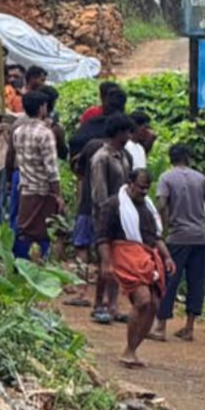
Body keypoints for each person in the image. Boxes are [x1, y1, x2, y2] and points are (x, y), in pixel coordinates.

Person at [95, 169, 174, 369]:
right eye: (140, 188)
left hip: (147, 256)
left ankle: (133, 349)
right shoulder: (114, 205)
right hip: (125, 254)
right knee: (142, 300)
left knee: (154, 303)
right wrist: (106, 263)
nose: (144, 192)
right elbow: (103, 238)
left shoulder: (148, 209)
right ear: (130, 183)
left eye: (147, 189)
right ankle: (129, 350)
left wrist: (167, 257)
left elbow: (156, 236)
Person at [150, 143, 205, 343]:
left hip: (177, 236)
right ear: (188, 158)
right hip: (200, 237)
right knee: (196, 281)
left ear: (171, 158)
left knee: (169, 280)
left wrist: (162, 229)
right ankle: (189, 327)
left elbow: (162, 204)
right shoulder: (200, 178)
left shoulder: (166, 177)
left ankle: (161, 326)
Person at [87, 114, 136, 324]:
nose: (129, 135)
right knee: (104, 262)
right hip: (106, 215)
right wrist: (107, 215)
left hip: (122, 215)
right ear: (118, 133)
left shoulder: (125, 156)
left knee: (118, 261)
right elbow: (99, 193)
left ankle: (113, 305)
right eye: (126, 131)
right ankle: (99, 303)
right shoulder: (102, 157)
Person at [10, 90, 63, 261]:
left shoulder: (18, 132)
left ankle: (19, 264)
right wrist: (58, 194)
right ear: (42, 108)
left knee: (24, 230)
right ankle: (43, 263)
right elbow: (51, 168)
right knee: (45, 231)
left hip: (26, 188)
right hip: (43, 190)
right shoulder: (45, 133)